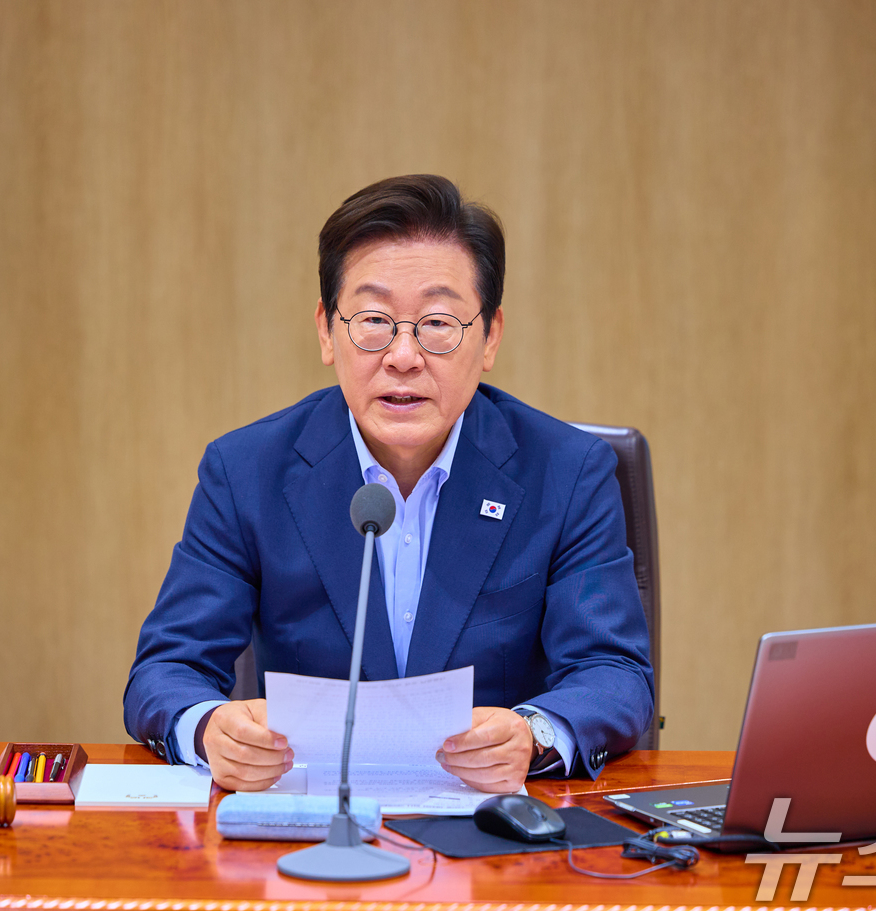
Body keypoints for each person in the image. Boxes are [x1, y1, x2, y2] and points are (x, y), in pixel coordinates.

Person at [124, 174, 653, 794]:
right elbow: (166, 669)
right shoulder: (246, 472)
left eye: (438, 323)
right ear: (327, 330)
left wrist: (533, 735)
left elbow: (615, 673)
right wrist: (208, 728)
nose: (403, 356)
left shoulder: (566, 472)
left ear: (490, 337)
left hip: (493, 824)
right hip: (307, 819)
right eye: (374, 319)